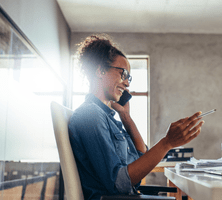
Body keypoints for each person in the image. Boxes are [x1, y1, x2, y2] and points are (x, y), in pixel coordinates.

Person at [68, 34, 204, 200]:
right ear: (100, 70)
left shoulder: (109, 118)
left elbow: (140, 160)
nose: (127, 83)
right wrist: (167, 142)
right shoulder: (90, 115)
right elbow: (120, 183)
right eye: (123, 74)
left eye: (129, 78)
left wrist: (127, 118)